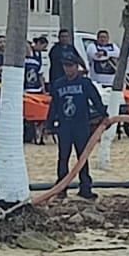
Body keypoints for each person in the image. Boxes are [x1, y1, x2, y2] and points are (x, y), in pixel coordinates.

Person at [47, 55, 106, 200]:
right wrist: (48, 123)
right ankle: (61, 187)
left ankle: (85, 187)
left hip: (81, 125)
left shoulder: (85, 83)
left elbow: (95, 99)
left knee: (82, 156)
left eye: (71, 65)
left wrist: (104, 114)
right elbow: (54, 104)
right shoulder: (58, 84)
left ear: (76, 66)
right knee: (63, 157)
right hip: (65, 125)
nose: (68, 69)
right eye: (66, 66)